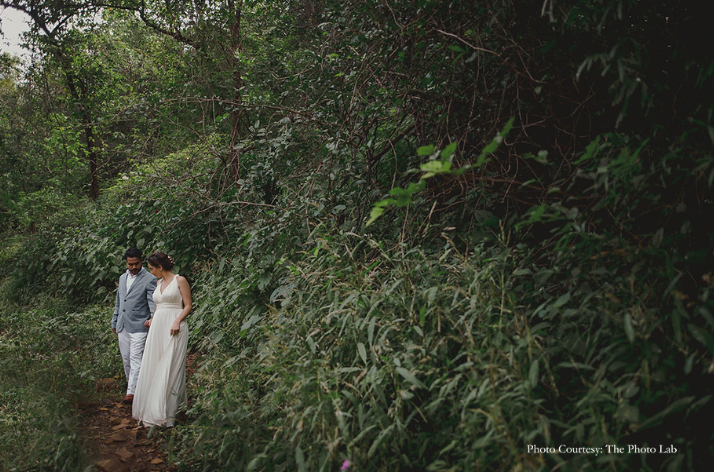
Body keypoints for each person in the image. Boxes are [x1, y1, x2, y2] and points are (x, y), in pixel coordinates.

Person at [133, 251, 192, 427]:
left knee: (171, 365)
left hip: (174, 325)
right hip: (158, 327)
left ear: (160, 267)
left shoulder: (179, 280)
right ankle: (153, 408)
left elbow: (188, 305)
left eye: (152, 268)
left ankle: (170, 412)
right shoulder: (158, 283)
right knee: (155, 363)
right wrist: (152, 319)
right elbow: (158, 306)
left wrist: (177, 321)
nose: (150, 272)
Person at [112, 248, 157, 404]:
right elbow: (119, 301)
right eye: (130, 264)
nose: (133, 267)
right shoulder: (122, 278)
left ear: (141, 261)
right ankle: (134, 387)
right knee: (126, 359)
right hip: (123, 325)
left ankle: (131, 393)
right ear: (126, 262)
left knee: (136, 358)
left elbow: (153, 303)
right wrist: (114, 320)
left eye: (136, 263)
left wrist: (153, 320)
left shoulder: (149, 279)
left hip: (140, 325)